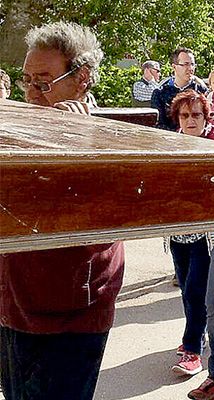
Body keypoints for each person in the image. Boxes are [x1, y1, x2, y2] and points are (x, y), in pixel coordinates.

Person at [0, 21, 125, 400]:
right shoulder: (22, 125)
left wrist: (79, 146)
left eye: (43, 81)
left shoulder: (115, 136)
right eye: (26, 81)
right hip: (13, 301)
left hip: (71, 313)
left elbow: (113, 212)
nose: (32, 94)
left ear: (82, 78)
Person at [167, 90, 214, 380]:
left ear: (206, 116)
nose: (190, 120)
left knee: (195, 291)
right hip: (178, 232)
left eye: (196, 115)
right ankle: (196, 336)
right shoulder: (169, 143)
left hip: (208, 234)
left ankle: (192, 351)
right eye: (185, 115)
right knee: (186, 289)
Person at [152, 47, 207, 131]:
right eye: (185, 64)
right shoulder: (160, 93)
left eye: (192, 64)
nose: (190, 68)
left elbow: (207, 121)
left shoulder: (201, 91)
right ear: (174, 67)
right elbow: (158, 124)